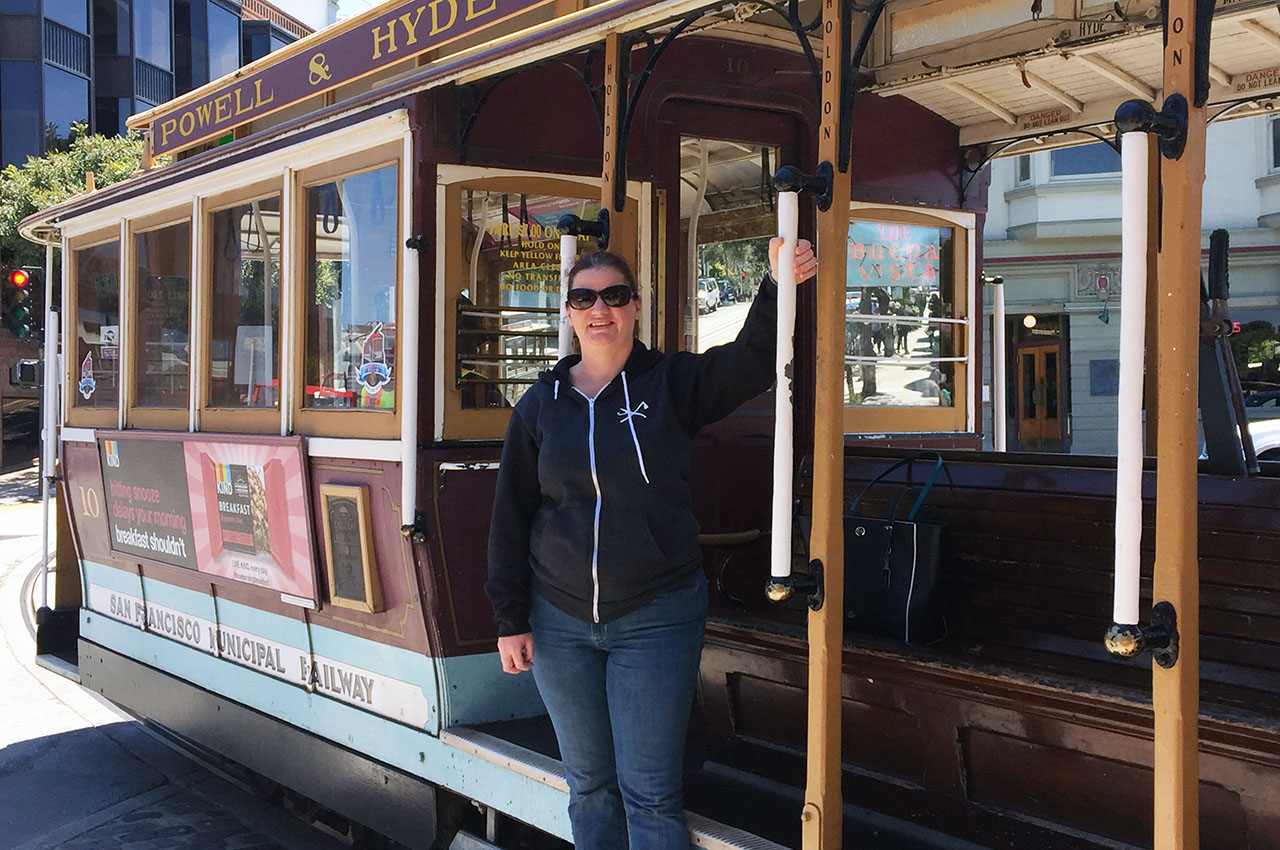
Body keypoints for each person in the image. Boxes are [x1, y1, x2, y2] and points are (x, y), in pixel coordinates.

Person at [484, 238, 816, 850]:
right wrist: (510, 619)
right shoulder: (540, 407)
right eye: (584, 298)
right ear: (568, 312)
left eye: (613, 296)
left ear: (635, 307)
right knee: (589, 788)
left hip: (655, 619)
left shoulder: (671, 386)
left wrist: (778, 285)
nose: (599, 309)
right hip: (558, 624)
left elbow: (751, 359)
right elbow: (511, 520)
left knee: (651, 795)